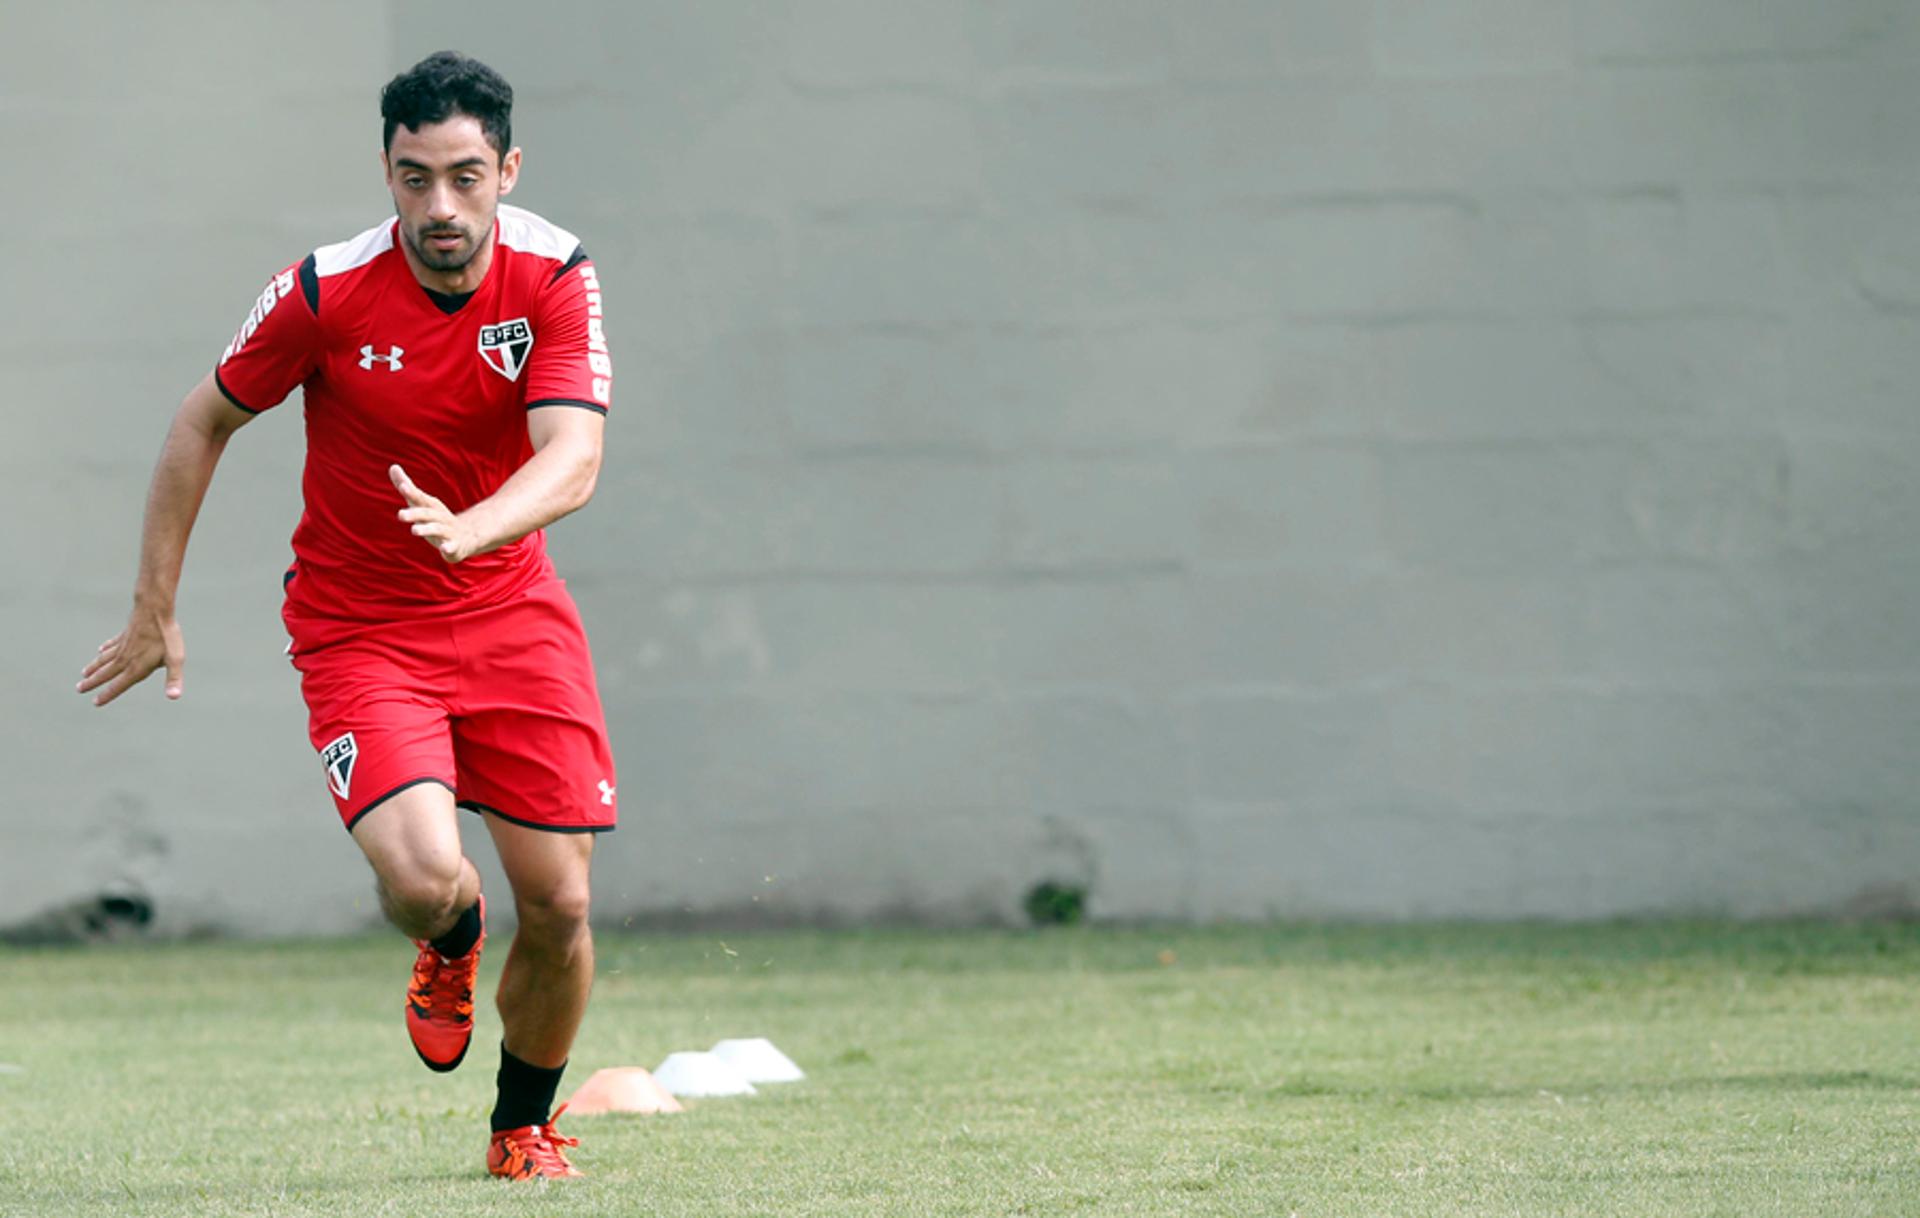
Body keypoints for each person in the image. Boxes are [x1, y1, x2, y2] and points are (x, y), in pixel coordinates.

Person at [76, 51, 615, 1181]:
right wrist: (152, 607)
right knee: (426, 879)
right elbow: (200, 420)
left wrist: (478, 527)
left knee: (561, 906)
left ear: (509, 169)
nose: (441, 208)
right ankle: (449, 941)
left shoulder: (557, 274)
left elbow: (573, 456)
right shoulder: (323, 291)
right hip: (363, 626)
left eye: (467, 177)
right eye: (415, 179)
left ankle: (520, 1129)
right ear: (386, 171)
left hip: (512, 611)